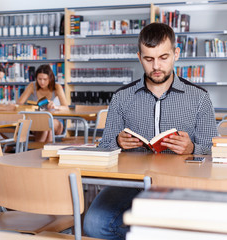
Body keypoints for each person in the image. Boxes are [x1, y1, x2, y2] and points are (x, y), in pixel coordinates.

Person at [83, 23, 219, 240]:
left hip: (181, 183)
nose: (156, 66)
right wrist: (118, 142)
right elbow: (104, 147)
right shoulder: (121, 97)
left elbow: (213, 149)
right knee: (94, 224)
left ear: (176, 54)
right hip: (131, 183)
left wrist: (193, 147)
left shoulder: (199, 97)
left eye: (163, 57)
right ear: (139, 57)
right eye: (149, 59)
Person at [17, 64, 69, 142]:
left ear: (50, 78)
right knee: (46, 127)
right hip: (38, 120)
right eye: (39, 79)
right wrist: (31, 107)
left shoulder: (57, 87)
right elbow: (19, 104)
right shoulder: (32, 86)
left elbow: (66, 108)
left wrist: (56, 107)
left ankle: (38, 150)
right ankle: (45, 152)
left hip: (56, 121)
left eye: (45, 79)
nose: (42, 82)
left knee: (48, 124)